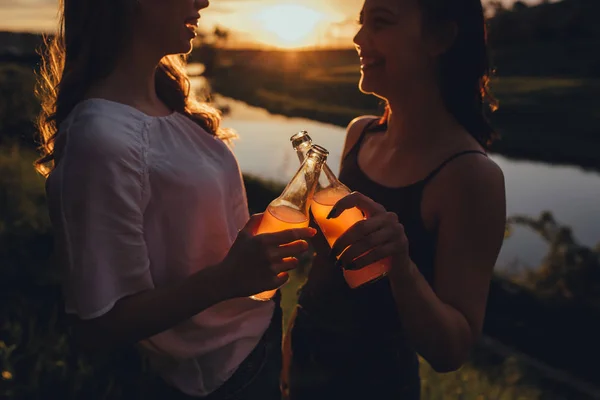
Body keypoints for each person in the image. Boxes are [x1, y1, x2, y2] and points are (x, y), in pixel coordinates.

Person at [35, 0, 316, 399]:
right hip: (214, 379)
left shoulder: (166, 105)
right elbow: (96, 327)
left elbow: (190, 234)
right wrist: (228, 279)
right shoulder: (99, 138)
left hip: (256, 344)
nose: (202, 1)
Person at [284, 0, 507, 398]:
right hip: (302, 362)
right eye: (360, 24)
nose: (357, 39)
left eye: (380, 24)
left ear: (440, 37)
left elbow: (451, 349)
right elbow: (332, 271)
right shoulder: (360, 134)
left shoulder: (470, 177)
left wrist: (400, 265)